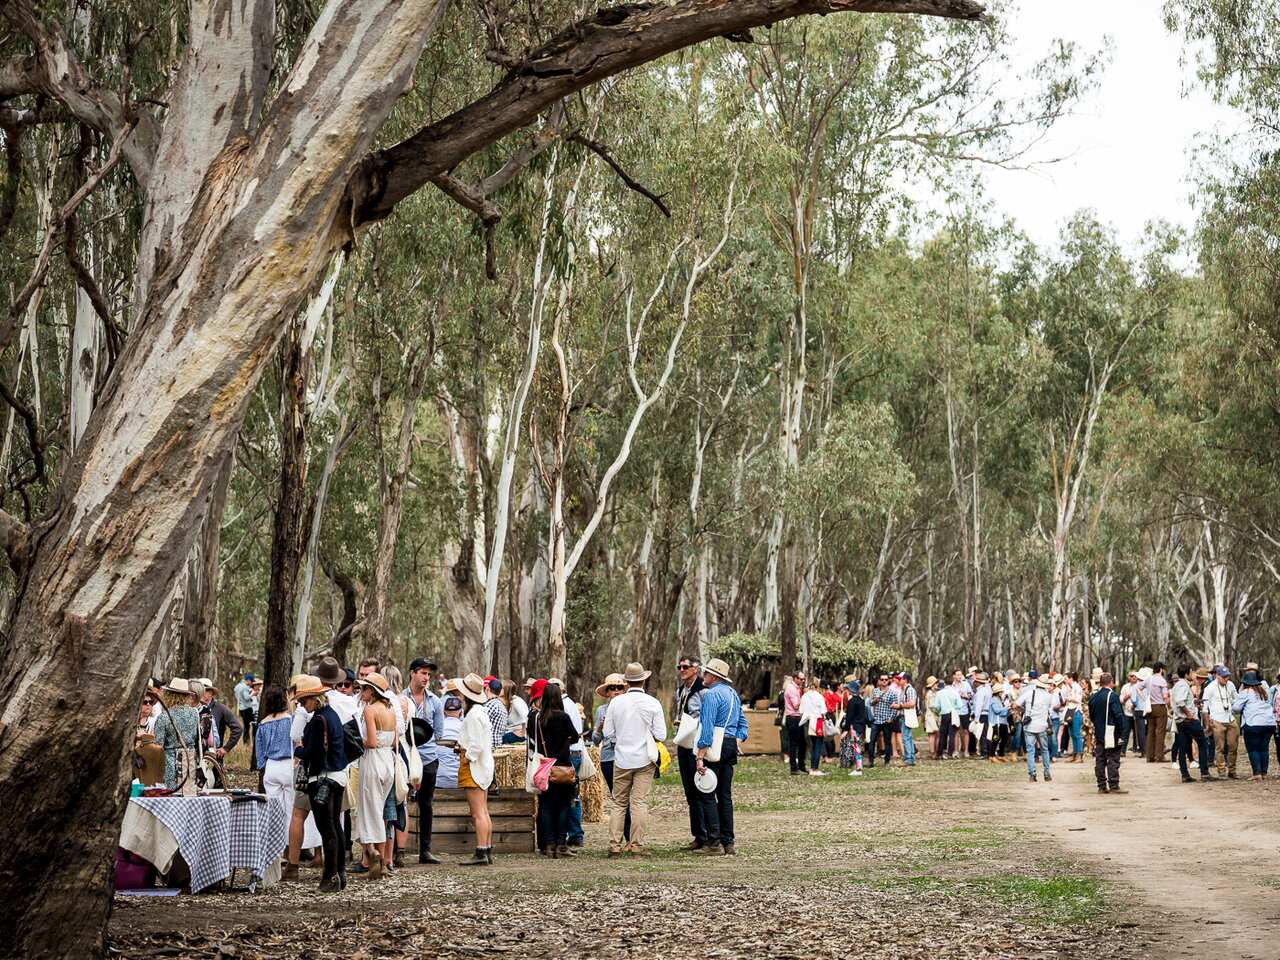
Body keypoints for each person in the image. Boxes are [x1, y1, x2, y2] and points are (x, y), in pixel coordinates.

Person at [603, 662, 667, 857]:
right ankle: (636, 845)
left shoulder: (616, 702)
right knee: (639, 802)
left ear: (626, 682)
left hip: (622, 759)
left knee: (618, 803)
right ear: (643, 680)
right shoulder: (653, 703)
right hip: (645, 759)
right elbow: (662, 735)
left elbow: (608, 732)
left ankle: (615, 845)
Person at [295, 675, 348, 892]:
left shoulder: (318, 720)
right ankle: (340, 873)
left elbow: (311, 752)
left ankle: (329, 878)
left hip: (322, 778)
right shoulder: (332, 715)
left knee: (327, 829)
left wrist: (298, 749)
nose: (301, 705)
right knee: (335, 826)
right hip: (337, 776)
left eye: (303, 700)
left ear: (314, 698)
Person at [693, 658, 748, 856]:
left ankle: (714, 842)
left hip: (714, 746)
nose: (703, 676)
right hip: (730, 744)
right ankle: (729, 841)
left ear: (714, 676)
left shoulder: (711, 695)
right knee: (725, 795)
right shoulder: (733, 694)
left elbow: (707, 728)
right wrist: (737, 740)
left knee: (707, 792)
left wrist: (700, 756)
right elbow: (743, 724)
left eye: (706, 673)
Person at [403, 657, 445, 864]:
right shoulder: (400, 699)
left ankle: (425, 851)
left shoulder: (435, 701)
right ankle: (397, 850)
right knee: (399, 800)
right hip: (405, 756)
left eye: (428, 674)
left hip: (428, 758)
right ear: (412, 673)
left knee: (426, 804)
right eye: (422, 673)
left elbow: (438, 733)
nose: (426, 678)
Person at [530, 682, 578, 857]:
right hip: (563, 766)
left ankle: (548, 844)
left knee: (547, 806)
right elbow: (575, 736)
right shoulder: (563, 717)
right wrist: (565, 741)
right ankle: (561, 844)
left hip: (546, 767)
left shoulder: (539, 719)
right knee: (564, 806)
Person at [455, 673, 496, 865]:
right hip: (484, 765)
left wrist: (467, 756)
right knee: (483, 811)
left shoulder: (473, 716)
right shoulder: (481, 713)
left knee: (477, 812)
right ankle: (486, 848)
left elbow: (476, 745)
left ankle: (481, 851)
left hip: (474, 766)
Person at [671, 656, 705, 848]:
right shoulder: (681, 690)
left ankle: (707, 833)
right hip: (684, 742)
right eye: (680, 666)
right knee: (689, 790)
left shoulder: (703, 691)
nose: (682, 669)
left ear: (695, 669)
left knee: (700, 789)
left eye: (686, 667)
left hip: (697, 744)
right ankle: (698, 835)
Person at [550, 678, 587, 847]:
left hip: (568, 755)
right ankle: (575, 834)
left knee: (567, 798)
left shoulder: (562, 708)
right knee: (573, 795)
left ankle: (573, 834)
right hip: (575, 753)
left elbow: (571, 734)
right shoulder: (571, 704)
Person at [254, 684, 295, 833]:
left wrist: (264, 766)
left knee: (273, 811)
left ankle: (274, 846)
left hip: (271, 766)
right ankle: (289, 847)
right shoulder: (291, 720)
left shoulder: (263, 724)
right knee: (291, 810)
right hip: (289, 765)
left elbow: (260, 754)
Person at [154, 678, 201, 790]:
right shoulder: (195, 713)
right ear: (186, 696)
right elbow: (196, 737)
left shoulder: (164, 716)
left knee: (171, 793)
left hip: (170, 762)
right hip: (189, 759)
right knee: (188, 792)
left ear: (169, 695)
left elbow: (158, 745)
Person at [1171, 664, 1216, 783]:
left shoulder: (1178, 685)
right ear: (1186, 674)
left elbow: (1181, 701)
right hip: (1188, 720)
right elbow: (1180, 702)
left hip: (1181, 721)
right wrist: (1189, 714)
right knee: (1203, 743)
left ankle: (1185, 775)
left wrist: (1193, 703)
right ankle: (1205, 773)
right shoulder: (1183, 685)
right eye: (1191, 672)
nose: (1193, 675)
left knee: (1183, 747)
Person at [1087, 673, 1126, 794]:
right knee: (1113, 758)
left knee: (1100, 759)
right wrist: (1122, 732)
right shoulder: (1113, 696)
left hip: (1099, 731)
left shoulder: (1093, 696)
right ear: (1111, 682)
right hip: (1112, 731)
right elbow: (1118, 715)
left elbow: (1091, 714)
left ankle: (1101, 785)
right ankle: (1114, 784)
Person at [1232, 670, 1275, 780]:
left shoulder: (1246, 692)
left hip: (1254, 723)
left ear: (1245, 683)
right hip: (1269, 723)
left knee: (1253, 749)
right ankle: (1264, 773)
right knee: (1264, 749)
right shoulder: (1264, 691)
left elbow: (1236, 708)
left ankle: (1257, 774)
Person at [1201, 665, 1239, 779]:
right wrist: (1207, 724)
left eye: (1227, 676)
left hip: (1230, 719)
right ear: (1217, 676)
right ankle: (1221, 771)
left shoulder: (1231, 685)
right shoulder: (1210, 688)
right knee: (1220, 747)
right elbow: (1204, 708)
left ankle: (1232, 770)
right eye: (1223, 677)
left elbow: (1236, 699)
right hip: (1217, 720)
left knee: (1233, 746)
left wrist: (1233, 706)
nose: (1225, 679)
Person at [1017, 675, 1053, 783]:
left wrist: (1025, 710)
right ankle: (1047, 774)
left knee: (1030, 750)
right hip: (1042, 725)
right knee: (1044, 750)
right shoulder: (1048, 696)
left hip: (1029, 726)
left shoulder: (1028, 693)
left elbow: (1016, 704)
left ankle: (1032, 774)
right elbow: (1048, 709)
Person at [195, 679, 242, 761]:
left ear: (211, 693)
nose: (201, 693)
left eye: (204, 690)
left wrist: (225, 748)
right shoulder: (193, 708)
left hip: (213, 757)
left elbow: (237, 728)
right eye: (199, 690)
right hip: (194, 756)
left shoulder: (220, 708)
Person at [866, 674, 900, 767]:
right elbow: (870, 704)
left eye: (886, 679)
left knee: (887, 742)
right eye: (882, 679)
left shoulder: (892, 692)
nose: (884, 681)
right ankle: (871, 761)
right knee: (872, 741)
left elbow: (895, 707)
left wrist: (891, 719)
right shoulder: (875, 691)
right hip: (876, 720)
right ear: (879, 681)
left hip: (886, 721)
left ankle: (887, 761)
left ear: (888, 681)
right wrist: (874, 701)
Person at [799, 679, 829, 776]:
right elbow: (824, 711)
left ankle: (812, 767)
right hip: (818, 721)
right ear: (818, 687)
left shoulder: (804, 696)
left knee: (811, 746)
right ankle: (814, 768)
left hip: (807, 722)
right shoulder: (819, 697)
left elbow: (801, 710)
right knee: (818, 746)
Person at [435, 696, 464, 787]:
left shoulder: (437, 728)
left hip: (438, 780)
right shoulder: (465, 727)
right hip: (459, 780)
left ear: (444, 712)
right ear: (461, 712)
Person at [839, 677, 866, 774]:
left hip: (854, 726)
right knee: (857, 746)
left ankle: (858, 768)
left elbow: (849, 717)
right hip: (860, 726)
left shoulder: (852, 702)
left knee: (856, 747)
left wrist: (846, 730)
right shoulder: (861, 700)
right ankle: (858, 766)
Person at [1144, 662, 1169, 763]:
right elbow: (1165, 696)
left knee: (1150, 731)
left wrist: (1145, 698)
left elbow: (1138, 687)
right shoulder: (1161, 680)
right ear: (1161, 669)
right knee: (1160, 732)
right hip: (1160, 707)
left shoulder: (1148, 679)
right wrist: (1168, 704)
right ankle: (1159, 756)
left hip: (1150, 707)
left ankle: (1149, 756)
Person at [782, 670, 806, 774]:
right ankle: (794, 767)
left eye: (803, 679)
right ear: (795, 678)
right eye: (801, 679)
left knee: (802, 743)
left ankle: (801, 765)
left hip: (797, 717)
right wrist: (805, 698)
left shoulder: (797, 688)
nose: (802, 681)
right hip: (793, 718)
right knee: (794, 743)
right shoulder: (791, 689)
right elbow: (796, 706)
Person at [895, 673, 919, 765]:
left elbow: (912, 703)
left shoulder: (909, 690)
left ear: (905, 680)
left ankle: (909, 758)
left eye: (900, 679)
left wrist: (899, 706)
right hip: (903, 716)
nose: (898, 681)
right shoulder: (903, 690)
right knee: (908, 737)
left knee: (906, 737)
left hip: (906, 716)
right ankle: (911, 757)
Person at [934, 676, 958, 759]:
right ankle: (950, 752)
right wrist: (954, 707)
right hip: (953, 714)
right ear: (953, 683)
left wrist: (939, 710)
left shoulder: (940, 693)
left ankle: (940, 752)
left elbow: (936, 706)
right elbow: (959, 705)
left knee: (942, 734)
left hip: (944, 714)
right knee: (952, 734)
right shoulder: (955, 692)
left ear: (944, 683)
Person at [234, 673, 256, 748]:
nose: (252, 683)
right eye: (251, 681)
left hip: (241, 708)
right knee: (253, 724)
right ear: (248, 680)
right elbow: (246, 697)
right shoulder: (245, 687)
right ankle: (250, 741)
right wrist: (253, 694)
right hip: (247, 709)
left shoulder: (237, 686)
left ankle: (246, 742)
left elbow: (238, 697)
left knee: (246, 726)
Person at [923, 676, 940, 759]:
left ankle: (935, 751)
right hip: (931, 715)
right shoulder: (930, 693)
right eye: (936, 683)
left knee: (936, 734)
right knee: (932, 734)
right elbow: (932, 706)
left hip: (934, 715)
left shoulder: (934, 693)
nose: (937, 684)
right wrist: (939, 710)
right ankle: (932, 752)